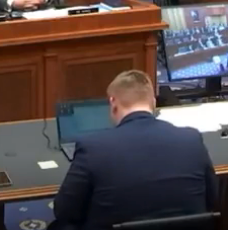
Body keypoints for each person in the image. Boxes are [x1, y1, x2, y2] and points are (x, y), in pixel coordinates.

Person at [51, 70, 216, 230]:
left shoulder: (93, 147)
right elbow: (213, 201)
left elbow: (64, 210)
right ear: (153, 102)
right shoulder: (191, 139)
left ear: (113, 103)